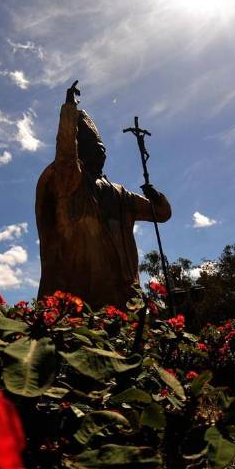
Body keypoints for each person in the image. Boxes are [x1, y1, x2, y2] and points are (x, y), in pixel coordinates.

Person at [35, 82, 171, 310]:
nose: (100, 151)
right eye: (93, 146)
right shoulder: (70, 182)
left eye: (101, 147)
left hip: (121, 292)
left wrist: (156, 196)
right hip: (79, 289)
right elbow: (65, 154)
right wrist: (69, 112)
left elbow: (161, 214)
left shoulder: (121, 195)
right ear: (80, 150)